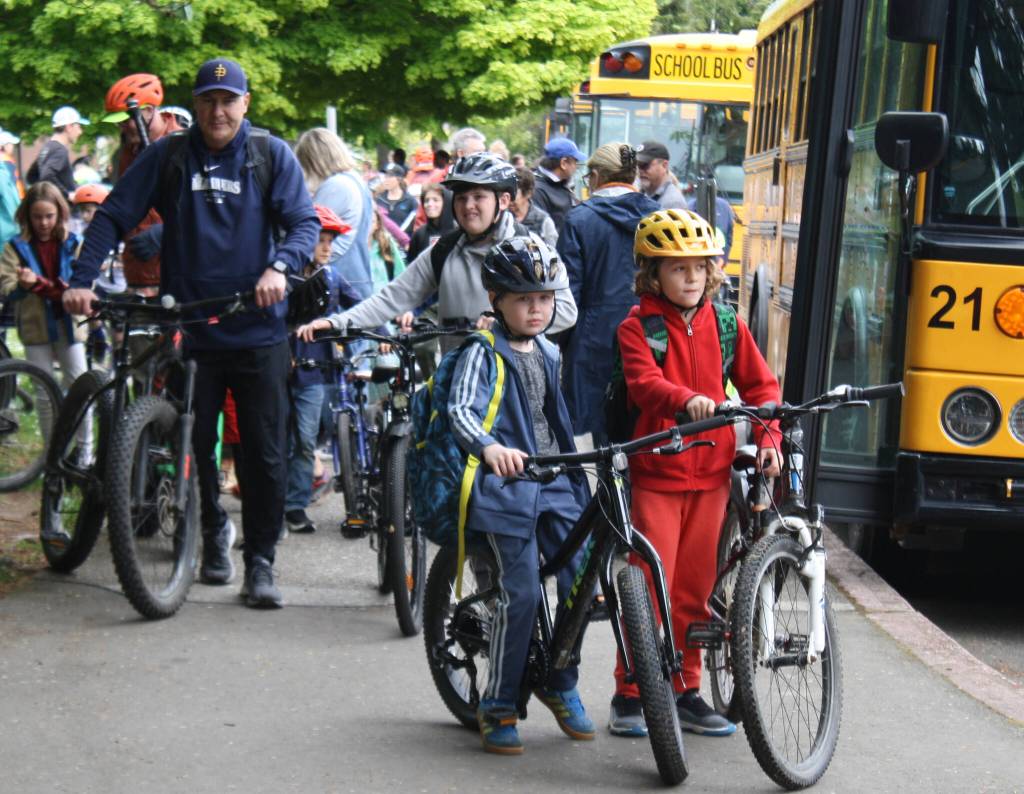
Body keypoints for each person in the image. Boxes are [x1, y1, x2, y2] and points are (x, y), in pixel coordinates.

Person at [63, 57, 320, 609]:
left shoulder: (268, 156)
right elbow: (112, 215)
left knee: (264, 454)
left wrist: (280, 268)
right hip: (193, 329)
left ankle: (261, 562)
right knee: (192, 447)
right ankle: (210, 542)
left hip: (257, 330)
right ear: (196, 105)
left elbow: (304, 223)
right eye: (208, 100)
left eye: (229, 101)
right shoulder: (171, 155)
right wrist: (82, 280)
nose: (218, 110)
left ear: (245, 105)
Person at [607, 208, 782, 738]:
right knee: (648, 587)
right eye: (676, 269)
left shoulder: (728, 325)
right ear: (651, 274)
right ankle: (631, 693)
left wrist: (769, 438)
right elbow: (643, 386)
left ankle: (685, 688)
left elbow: (762, 388)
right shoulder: (638, 327)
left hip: (711, 478)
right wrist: (688, 401)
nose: (690, 278)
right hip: (656, 474)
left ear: (712, 272)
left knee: (694, 591)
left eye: (699, 268)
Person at [448, 238, 593, 754]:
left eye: (545, 298)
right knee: (524, 593)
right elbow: (462, 409)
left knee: (584, 579)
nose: (537, 308)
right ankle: (499, 703)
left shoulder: (552, 350)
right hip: (505, 487)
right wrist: (489, 448)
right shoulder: (481, 351)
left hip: (554, 481)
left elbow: (558, 421)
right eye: (523, 298)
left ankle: (560, 678)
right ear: (496, 299)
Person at [297, 153, 577, 354]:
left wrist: (506, 322)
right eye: (461, 198)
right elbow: (391, 298)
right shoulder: (444, 251)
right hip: (458, 386)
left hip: (516, 388)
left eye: (478, 197)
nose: (468, 206)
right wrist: (337, 322)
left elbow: (566, 311)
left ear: (503, 201)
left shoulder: (533, 249)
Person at [556, 142, 659, 440]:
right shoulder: (658, 217)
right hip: (651, 335)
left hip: (591, 341)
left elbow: (567, 295)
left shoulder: (579, 219)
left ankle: (591, 488)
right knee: (641, 430)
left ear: (598, 175)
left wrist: (562, 343)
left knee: (587, 435)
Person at [284, 204, 359, 535]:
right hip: (276, 370)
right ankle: (273, 502)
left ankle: (294, 505)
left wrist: (385, 336)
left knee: (303, 438)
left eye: (330, 240)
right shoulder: (282, 276)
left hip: (314, 373)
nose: (327, 247)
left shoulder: (332, 277)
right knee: (273, 440)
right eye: (320, 240)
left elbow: (362, 308)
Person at [0, 183, 86, 428]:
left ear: (60, 213)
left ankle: (85, 453)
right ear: (27, 216)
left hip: (71, 325)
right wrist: (21, 286)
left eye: (49, 216)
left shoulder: (73, 243)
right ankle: (51, 456)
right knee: (44, 392)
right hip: (35, 326)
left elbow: (82, 282)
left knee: (80, 387)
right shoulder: (14, 247)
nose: (44, 223)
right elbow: (5, 288)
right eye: (37, 217)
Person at [101, 73, 184, 296]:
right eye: (118, 122)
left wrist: (166, 233)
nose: (123, 128)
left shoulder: (184, 148)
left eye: (126, 120)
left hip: (176, 279)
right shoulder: (127, 152)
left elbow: (208, 212)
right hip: (137, 275)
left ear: (148, 110)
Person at [295, 128, 375, 300]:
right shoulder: (356, 181)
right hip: (359, 278)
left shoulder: (335, 186)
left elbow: (310, 233)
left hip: (339, 285)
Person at [27, 107, 89, 197]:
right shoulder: (59, 150)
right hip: (63, 208)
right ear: (69, 127)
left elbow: (31, 177)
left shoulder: (47, 148)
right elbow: (47, 176)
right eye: (78, 126)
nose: (80, 132)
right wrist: (67, 194)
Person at [532, 136, 585, 233]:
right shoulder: (538, 190)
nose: (576, 166)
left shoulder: (561, 185)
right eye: (575, 161)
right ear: (563, 163)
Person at [407, 182, 456, 262]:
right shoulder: (419, 235)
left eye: (435, 200)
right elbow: (412, 265)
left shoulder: (458, 233)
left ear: (446, 202)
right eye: (426, 201)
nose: (429, 204)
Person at [511, 167, 557, 248]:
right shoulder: (501, 217)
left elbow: (553, 255)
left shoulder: (543, 221)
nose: (509, 199)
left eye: (514, 194)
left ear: (528, 193)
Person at [636, 140, 686, 210]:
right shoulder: (640, 195)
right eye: (637, 165)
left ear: (664, 165)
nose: (640, 171)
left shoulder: (673, 202)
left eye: (645, 165)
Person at [375, 163, 418, 238]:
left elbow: (415, 226)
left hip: (403, 245)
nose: (386, 179)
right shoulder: (378, 200)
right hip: (382, 244)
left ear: (399, 179)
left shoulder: (410, 201)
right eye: (385, 176)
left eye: (390, 176)